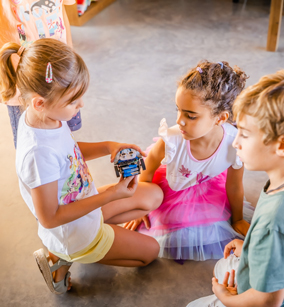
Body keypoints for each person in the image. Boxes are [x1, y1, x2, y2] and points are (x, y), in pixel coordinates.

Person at [0, 39, 163, 294]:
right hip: (73, 232)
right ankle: (64, 257)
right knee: (151, 252)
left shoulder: (46, 117)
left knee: (154, 194)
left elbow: (69, 152)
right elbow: (50, 218)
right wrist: (111, 195)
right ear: (40, 102)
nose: (81, 105)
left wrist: (109, 145)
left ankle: (82, 244)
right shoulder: (37, 153)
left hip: (85, 204)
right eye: (74, 101)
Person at [187, 70, 284, 307]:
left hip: (278, 301)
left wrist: (226, 298)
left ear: (283, 145)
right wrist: (251, 248)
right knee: (225, 264)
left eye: (244, 134)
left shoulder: (276, 223)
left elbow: (267, 302)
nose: (236, 142)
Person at [124, 61, 253, 261]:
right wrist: (140, 206)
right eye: (178, 110)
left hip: (206, 183)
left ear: (220, 118)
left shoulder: (235, 144)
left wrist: (237, 220)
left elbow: (235, 186)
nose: (179, 121)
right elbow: (147, 172)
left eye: (190, 116)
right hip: (172, 183)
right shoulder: (171, 141)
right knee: (172, 220)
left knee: (209, 222)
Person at [0, 0, 82, 148]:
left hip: (60, 70)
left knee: (63, 136)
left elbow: (61, 10)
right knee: (33, 144)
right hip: (23, 81)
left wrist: (71, 55)